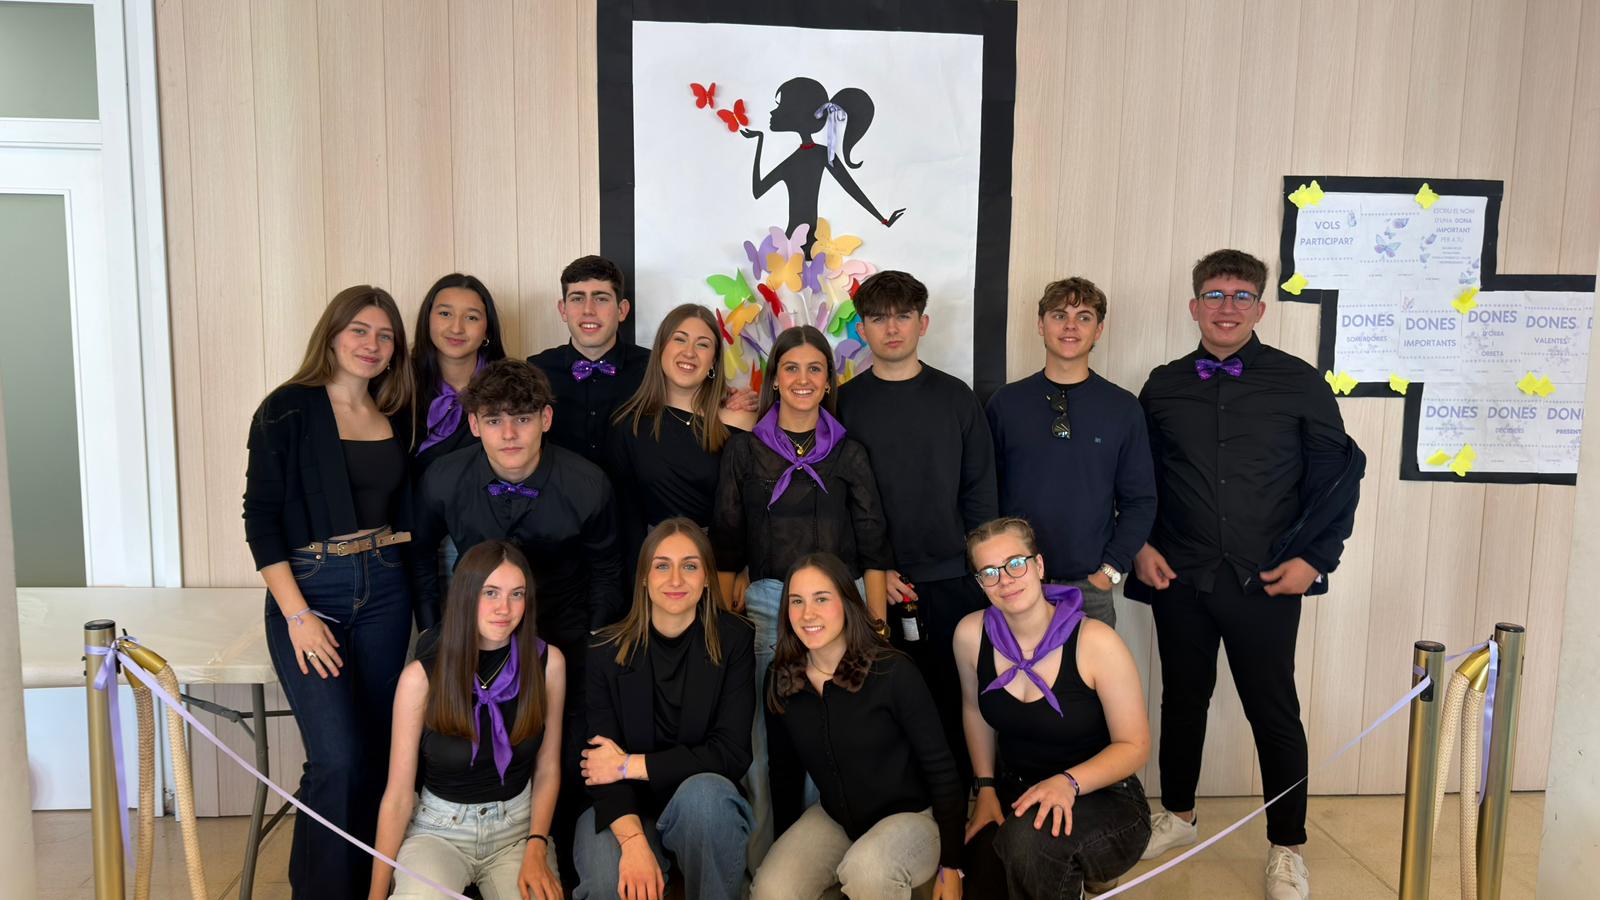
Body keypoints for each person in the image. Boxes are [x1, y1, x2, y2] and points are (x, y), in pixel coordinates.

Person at [1129, 249, 1364, 900]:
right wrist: (1141, 546)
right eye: (1214, 294)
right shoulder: (1163, 385)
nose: (1226, 307)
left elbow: (1340, 478)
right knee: (1182, 701)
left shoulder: (1299, 382)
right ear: (1194, 305)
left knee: (1273, 711)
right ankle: (1178, 816)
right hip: (1181, 576)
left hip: (1266, 580)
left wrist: (1315, 559)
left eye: (1240, 296)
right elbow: (1137, 477)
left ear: (1260, 308)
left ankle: (1287, 847)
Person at [410, 357, 625, 881]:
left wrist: (593, 648)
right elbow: (418, 557)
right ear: (473, 423)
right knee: (459, 747)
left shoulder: (587, 483)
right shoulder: (443, 478)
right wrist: (438, 634)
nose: (509, 434)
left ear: (546, 420)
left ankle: (558, 870)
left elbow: (607, 570)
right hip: (474, 637)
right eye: (494, 419)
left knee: (570, 754)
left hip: (563, 633)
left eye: (523, 418)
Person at [243, 285, 415, 899]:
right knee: (336, 757)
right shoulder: (286, 408)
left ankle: (368, 887)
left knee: (375, 751)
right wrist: (298, 616)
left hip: (386, 586)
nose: (372, 344)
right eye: (359, 330)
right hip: (311, 590)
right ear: (333, 334)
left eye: (385, 335)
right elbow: (260, 519)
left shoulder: (395, 411)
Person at [713, 324, 892, 861]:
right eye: (791, 368)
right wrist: (723, 617)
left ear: (829, 380)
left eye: (815, 368)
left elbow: (873, 542)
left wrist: (877, 623)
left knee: (832, 733)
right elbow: (726, 540)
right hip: (769, 601)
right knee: (760, 738)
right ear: (774, 378)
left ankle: (824, 860)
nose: (803, 379)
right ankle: (761, 864)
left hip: (841, 605)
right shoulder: (744, 451)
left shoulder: (850, 453)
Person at [836, 270, 997, 782]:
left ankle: (966, 797)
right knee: (882, 699)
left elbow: (980, 489)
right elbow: (836, 499)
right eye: (878, 318)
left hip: (952, 578)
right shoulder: (843, 402)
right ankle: (902, 801)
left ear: (922, 323)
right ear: (862, 328)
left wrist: (980, 571)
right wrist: (875, 570)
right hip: (874, 584)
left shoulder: (956, 397)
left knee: (957, 693)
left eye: (903, 316)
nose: (892, 328)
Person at [957, 517, 1152, 899]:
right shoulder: (969, 635)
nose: (1005, 580)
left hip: (1102, 795)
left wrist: (1068, 782)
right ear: (980, 583)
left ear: (1039, 565)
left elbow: (1135, 746)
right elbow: (974, 711)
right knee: (980, 879)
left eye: (1015, 564)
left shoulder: (1096, 642)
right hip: (1019, 791)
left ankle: (1088, 872)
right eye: (990, 572)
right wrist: (986, 789)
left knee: (1028, 845)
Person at [754, 553, 967, 900]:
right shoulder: (782, 678)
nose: (808, 614)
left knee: (866, 870)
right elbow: (784, 774)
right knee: (772, 889)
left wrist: (952, 864)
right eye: (797, 601)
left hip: (914, 817)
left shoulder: (892, 671)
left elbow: (942, 768)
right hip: (836, 819)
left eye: (822, 599)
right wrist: (786, 851)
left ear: (847, 603)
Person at [369, 541, 564, 900]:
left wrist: (537, 844)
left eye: (517, 594)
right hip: (439, 832)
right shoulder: (420, 678)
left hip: (518, 831)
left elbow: (548, 769)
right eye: (490, 592)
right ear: (465, 596)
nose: (504, 608)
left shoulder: (549, 663)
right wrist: (376, 896)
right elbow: (397, 796)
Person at [575, 518, 755, 900]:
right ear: (643, 577)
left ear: (707, 579)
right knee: (608, 881)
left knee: (706, 800)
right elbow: (599, 766)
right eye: (662, 566)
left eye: (689, 565)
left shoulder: (735, 641)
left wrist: (629, 764)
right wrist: (634, 843)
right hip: (625, 805)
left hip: (701, 803)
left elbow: (731, 754)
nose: (675, 579)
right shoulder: (604, 651)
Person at [985, 277, 1156, 627]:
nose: (1070, 326)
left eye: (1084, 317)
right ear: (1041, 324)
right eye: (1059, 315)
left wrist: (1110, 570)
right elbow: (986, 492)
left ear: (1099, 330)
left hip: (1089, 588)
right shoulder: (1006, 403)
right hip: (1015, 581)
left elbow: (1140, 499)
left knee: (1088, 666)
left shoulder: (1122, 408)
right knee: (1010, 665)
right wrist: (999, 569)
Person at [606, 303, 757, 569]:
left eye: (703, 344)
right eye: (679, 339)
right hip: (656, 562)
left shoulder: (737, 419)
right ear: (661, 348)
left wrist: (736, 572)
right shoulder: (628, 426)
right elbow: (627, 518)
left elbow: (747, 512)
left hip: (720, 564)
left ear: (714, 360)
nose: (689, 352)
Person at [740, 76, 905, 258]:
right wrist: (759, 141)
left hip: (802, 246)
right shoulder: (801, 158)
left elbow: (851, 188)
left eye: (780, 106)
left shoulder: (815, 156)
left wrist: (884, 220)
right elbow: (758, 191)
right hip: (792, 246)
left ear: (797, 112)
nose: (773, 112)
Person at [528, 255, 653, 466]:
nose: (588, 310)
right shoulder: (535, 370)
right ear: (563, 309)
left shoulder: (652, 369)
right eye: (577, 298)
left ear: (622, 310)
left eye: (601, 298)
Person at [410, 273, 510, 475]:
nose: (456, 328)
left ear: (487, 330)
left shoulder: (510, 387)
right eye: (445, 314)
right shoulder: (401, 384)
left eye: (471, 317)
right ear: (427, 320)